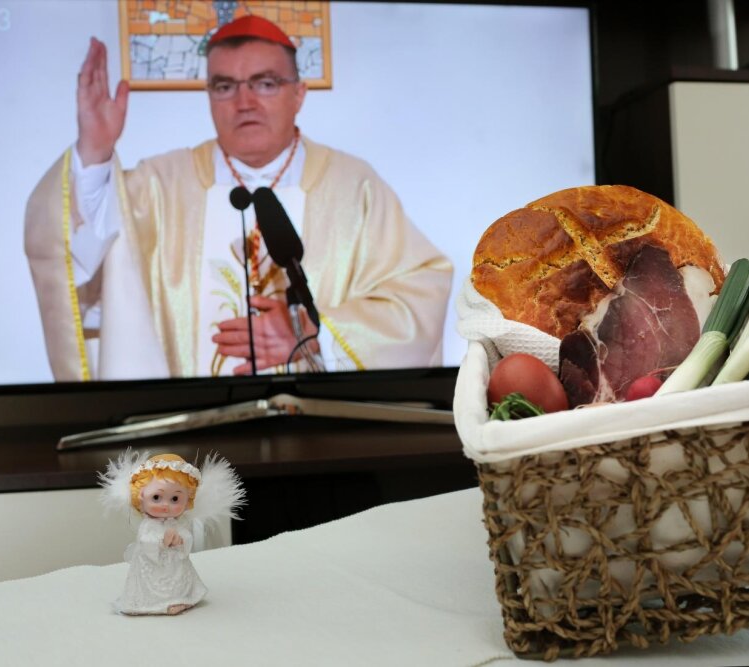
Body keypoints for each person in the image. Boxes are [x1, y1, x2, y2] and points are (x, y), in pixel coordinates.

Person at [25, 15, 453, 381]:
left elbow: (421, 291)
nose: (244, 102)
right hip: (193, 431)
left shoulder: (353, 186)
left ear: (298, 94)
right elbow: (78, 259)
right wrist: (95, 152)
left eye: (265, 83)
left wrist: (316, 332)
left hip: (320, 426)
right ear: (209, 96)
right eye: (225, 86)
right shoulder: (158, 186)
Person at [98, 452, 245, 616]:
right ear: (141, 496)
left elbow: (186, 537)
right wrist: (162, 541)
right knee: (156, 582)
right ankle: (158, 602)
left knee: (179, 578)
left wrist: (181, 539)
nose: (165, 505)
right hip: (154, 565)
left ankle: (182, 597)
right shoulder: (149, 525)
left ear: (187, 501)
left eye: (175, 499)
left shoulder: (176, 523)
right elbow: (146, 541)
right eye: (156, 497)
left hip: (176, 563)